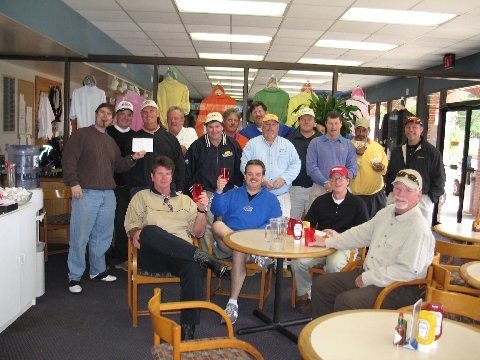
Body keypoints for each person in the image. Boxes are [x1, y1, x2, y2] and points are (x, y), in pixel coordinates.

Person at [124, 155, 227, 340]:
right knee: (149, 231)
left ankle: (188, 329)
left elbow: (197, 233)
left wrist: (202, 211)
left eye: (168, 174)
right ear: (152, 176)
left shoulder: (185, 200)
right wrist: (136, 232)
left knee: (194, 267)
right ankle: (204, 257)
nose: (164, 178)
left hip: (181, 257)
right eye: (160, 174)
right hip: (153, 256)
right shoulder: (141, 197)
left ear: (172, 176)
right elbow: (131, 226)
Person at [310, 169, 435, 317]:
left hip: (398, 287)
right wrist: (328, 242)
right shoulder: (386, 213)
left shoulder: (418, 228)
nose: (401, 195)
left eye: (408, 190)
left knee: (346, 301)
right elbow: (359, 234)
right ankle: (324, 332)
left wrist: (368, 278)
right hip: (369, 273)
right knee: (321, 285)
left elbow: (406, 271)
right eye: (398, 189)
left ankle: (344, 338)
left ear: (418, 196)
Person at [62, 102, 146, 294]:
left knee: (103, 236)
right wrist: (73, 182)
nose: (105, 116)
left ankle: (97, 271)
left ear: (112, 118)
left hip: (108, 194)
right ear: (96, 114)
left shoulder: (110, 142)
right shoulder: (81, 135)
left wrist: (133, 158)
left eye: (109, 114)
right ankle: (74, 276)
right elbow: (68, 159)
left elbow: (118, 165)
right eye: (102, 113)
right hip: (85, 193)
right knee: (80, 236)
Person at [210, 159, 282, 324]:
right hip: (227, 243)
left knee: (240, 249)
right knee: (218, 224)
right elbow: (217, 210)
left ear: (263, 177)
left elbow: (275, 225)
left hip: (252, 245)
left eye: (258, 174)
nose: (254, 177)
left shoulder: (271, 199)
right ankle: (251, 252)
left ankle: (232, 303)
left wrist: (249, 236)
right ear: (245, 175)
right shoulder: (232, 193)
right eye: (250, 174)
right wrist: (219, 191)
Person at [290, 165, 369, 314]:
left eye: (341, 178)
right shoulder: (321, 201)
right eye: (333, 178)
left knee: (333, 264)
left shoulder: (358, 204)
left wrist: (339, 236)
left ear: (347, 181)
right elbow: (308, 224)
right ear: (330, 182)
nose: (337, 181)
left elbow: (364, 233)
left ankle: (332, 299)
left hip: (345, 246)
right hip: (321, 244)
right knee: (297, 263)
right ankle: (306, 295)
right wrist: (315, 233)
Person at [185, 111, 243, 254]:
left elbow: (240, 171)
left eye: (217, 126)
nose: (214, 130)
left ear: (222, 127)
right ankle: (207, 260)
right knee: (207, 227)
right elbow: (188, 173)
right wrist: (198, 194)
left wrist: (234, 191)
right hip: (206, 193)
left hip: (228, 194)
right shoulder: (197, 146)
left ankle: (226, 258)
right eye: (211, 127)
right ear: (206, 127)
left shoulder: (233, 145)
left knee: (226, 225)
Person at [385, 116, 445, 224]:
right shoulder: (397, 151)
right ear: (405, 129)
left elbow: (439, 177)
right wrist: (390, 192)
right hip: (397, 197)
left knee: (419, 231)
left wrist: (431, 198)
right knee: (394, 229)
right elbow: (390, 173)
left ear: (421, 129)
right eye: (408, 127)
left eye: (414, 127)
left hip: (421, 199)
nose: (411, 130)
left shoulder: (432, 153)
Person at [241, 113, 301, 218]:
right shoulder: (252, 144)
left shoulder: (287, 144)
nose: (270, 127)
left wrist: (284, 178)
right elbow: (244, 166)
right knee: (257, 229)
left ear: (278, 127)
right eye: (267, 124)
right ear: (262, 127)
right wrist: (261, 181)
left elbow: (296, 164)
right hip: (258, 196)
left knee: (280, 230)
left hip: (282, 197)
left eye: (273, 124)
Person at [129, 100, 185, 196]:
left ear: (158, 113)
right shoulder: (133, 138)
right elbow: (128, 165)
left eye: (151, 111)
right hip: (141, 190)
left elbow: (180, 165)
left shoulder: (171, 139)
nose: (148, 114)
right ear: (141, 115)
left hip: (167, 188)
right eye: (145, 112)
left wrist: (179, 189)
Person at [106, 100, 136, 271]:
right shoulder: (107, 133)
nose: (125, 118)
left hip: (126, 186)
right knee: (104, 223)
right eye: (122, 114)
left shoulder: (135, 135)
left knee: (122, 222)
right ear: (116, 116)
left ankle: (120, 257)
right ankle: (103, 256)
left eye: (129, 115)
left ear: (132, 117)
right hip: (106, 185)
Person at [306, 110, 357, 206]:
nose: (333, 127)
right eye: (330, 123)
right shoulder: (315, 143)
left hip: (342, 191)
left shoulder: (348, 144)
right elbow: (311, 167)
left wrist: (340, 182)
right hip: (320, 189)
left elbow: (353, 168)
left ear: (341, 124)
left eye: (336, 123)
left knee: (343, 220)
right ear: (326, 124)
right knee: (316, 220)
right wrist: (325, 183)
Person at [349, 117, 388, 218]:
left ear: (369, 131)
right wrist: (358, 155)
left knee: (378, 227)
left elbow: (385, 168)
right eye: (358, 130)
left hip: (377, 196)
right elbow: (347, 171)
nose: (361, 133)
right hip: (355, 197)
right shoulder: (348, 146)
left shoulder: (377, 146)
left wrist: (382, 167)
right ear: (354, 130)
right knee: (357, 229)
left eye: (364, 130)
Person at [287, 107, 322, 220]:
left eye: (309, 119)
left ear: (314, 122)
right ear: (299, 121)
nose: (306, 121)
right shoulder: (289, 139)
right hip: (294, 189)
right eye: (303, 119)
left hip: (316, 188)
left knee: (313, 225)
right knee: (291, 224)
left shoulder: (322, 140)